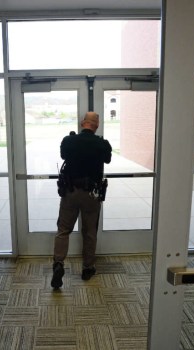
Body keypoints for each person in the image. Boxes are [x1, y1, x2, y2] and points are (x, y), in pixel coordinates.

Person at [51, 111, 112, 289]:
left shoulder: (68, 141)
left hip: (70, 192)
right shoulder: (102, 144)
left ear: (82, 123)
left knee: (63, 230)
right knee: (89, 232)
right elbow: (107, 160)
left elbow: (63, 156)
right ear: (97, 125)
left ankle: (58, 264)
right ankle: (87, 268)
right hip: (91, 194)